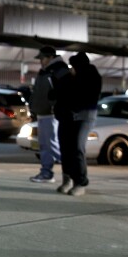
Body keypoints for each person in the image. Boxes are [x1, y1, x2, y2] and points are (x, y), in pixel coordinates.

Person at [54, 52, 102, 197]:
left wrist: (68, 81)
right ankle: (67, 180)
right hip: (68, 116)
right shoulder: (72, 78)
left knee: (77, 147)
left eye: (73, 66)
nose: (71, 68)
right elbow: (61, 94)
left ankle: (80, 182)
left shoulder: (91, 77)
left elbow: (81, 95)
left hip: (84, 116)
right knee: (66, 148)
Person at [28, 46, 68, 184]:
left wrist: (54, 105)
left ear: (50, 57)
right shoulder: (45, 71)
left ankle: (72, 168)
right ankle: (46, 172)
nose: (41, 61)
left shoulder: (59, 70)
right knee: (44, 145)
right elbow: (38, 91)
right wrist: (33, 107)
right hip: (42, 112)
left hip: (51, 114)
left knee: (52, 144)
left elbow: (63, 92)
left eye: (43, 58)